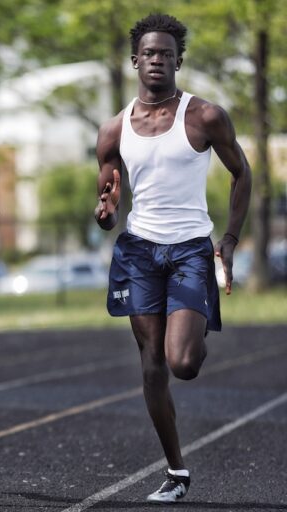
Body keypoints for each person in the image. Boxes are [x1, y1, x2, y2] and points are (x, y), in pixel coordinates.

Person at [94, 14, 251, 503]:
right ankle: (176, 471)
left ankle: (197, 325)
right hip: (139, 249)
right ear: (134, 60)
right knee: (150, 364)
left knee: (182, 362)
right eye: (148, 53)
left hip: (189, 251)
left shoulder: (204, 116)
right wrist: (104, 212)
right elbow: (105, 209)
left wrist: (228, 237)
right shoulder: (114, 129)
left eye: (166, 53)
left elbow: (241, 173)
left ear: (178, 60)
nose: (157, 60)